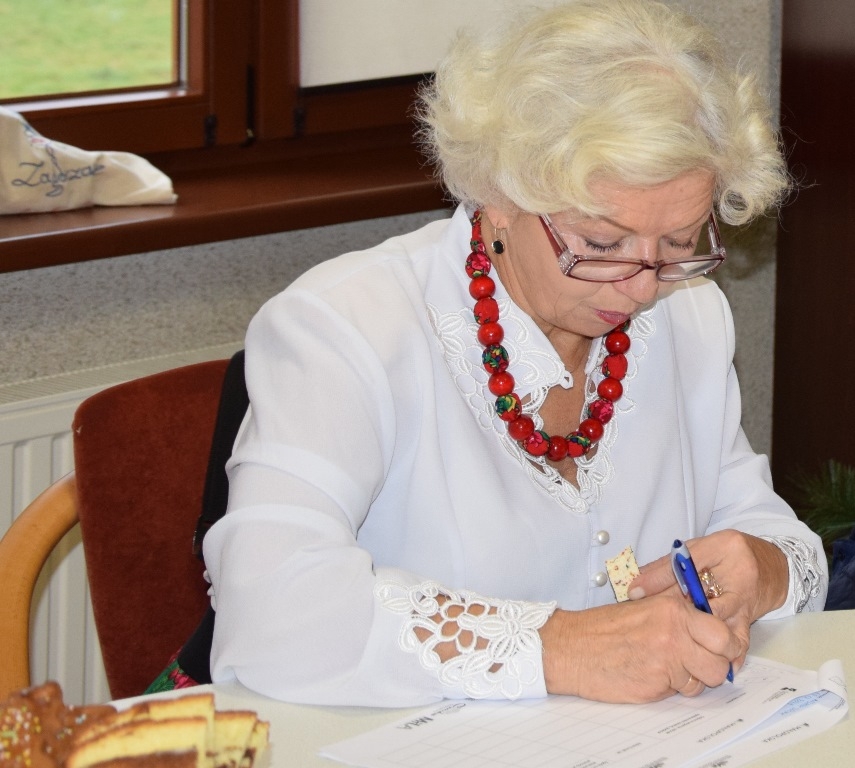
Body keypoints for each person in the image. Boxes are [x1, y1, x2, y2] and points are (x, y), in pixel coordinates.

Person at [202, 0, 827, 707]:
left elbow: (758, 524)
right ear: (498, 193)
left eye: (680, 242)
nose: (641, 286)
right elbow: (267, 606)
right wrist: (563, 648)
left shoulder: (689, 315)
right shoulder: (346, 328)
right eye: (602, 244)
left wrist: (763, 568)